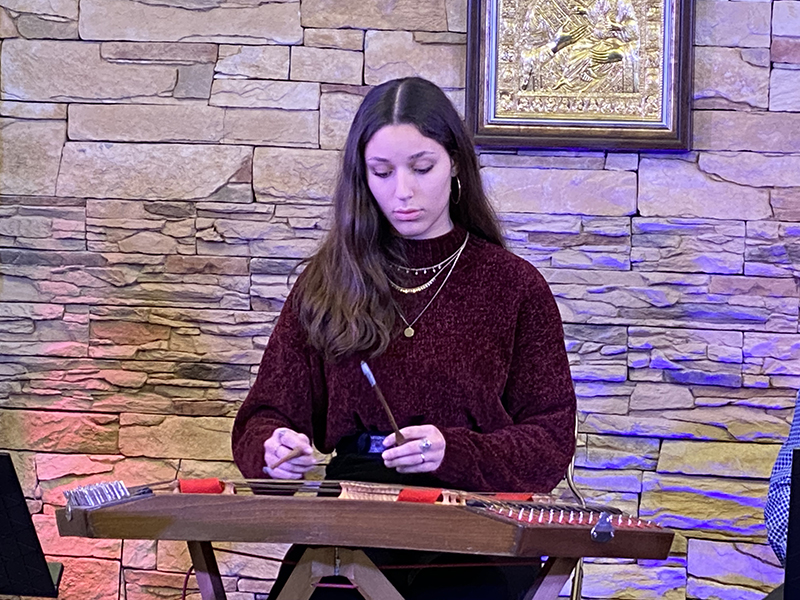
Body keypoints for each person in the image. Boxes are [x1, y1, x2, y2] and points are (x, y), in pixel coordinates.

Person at [231, 76, 577, 599]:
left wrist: (452, 452)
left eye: (421, 167)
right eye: (382, 172)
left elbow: (549, 443)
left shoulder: (514, 286)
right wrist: (274, 451)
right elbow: (264, 416)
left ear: (455, 163)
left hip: (478, 521)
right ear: (361, 175)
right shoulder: (328, 282)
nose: (402, 192)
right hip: (351, 516)